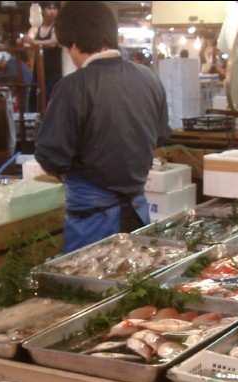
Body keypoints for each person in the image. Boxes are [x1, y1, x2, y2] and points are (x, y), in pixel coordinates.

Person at [33, 1, 171, 253]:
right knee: (134, 286)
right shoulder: (149, 79)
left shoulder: (72, 87)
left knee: (88, 290)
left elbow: (51, 156)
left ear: (74, 44)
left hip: (91, 224)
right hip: (137, 216)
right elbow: (160, 137)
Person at [24, 1, 63, 107]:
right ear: (43, 10)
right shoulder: (36, 28)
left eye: (55, 9)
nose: (52, 12)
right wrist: (24, 41)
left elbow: (53, 43)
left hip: (54, 71)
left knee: (52, 101)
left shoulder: (58, 26)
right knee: (35, 99)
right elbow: (28, 44)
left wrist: (34, 42)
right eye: (49, 8)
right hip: (39, 69)